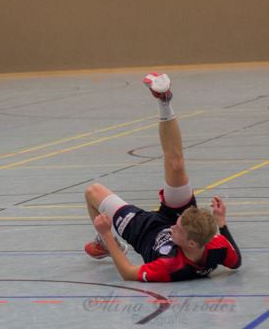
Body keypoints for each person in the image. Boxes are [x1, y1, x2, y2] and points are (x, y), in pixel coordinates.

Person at [84, 73, 242, 282]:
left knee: (92, 192)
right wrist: (221, 223)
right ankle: (164, 100)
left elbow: (128, 272)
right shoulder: (216, 247)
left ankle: (104, 244)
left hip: (143, 231)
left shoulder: (170, 266)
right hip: (179, 218)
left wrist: (106, 233)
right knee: (176, 165)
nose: (173, 225)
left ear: (191, 244)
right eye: (177, 223)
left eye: (177, 228)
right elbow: (236, 261)